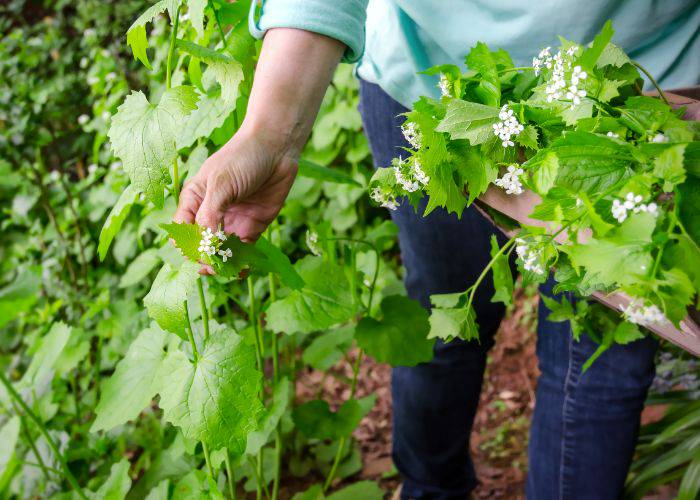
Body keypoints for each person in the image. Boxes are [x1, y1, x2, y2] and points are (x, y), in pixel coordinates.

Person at [174, 1, 700, 498]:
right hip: (432, 86)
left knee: (601, 364)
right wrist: (269, 133)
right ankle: (430, 488)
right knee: (445, 320)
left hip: (641, 101)